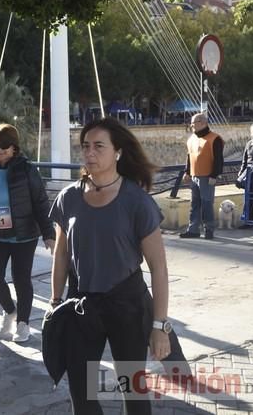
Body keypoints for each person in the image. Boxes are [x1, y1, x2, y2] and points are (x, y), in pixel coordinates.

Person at [48, 117, 171, 415]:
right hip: (82, 305)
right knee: (81, 391)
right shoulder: (69, 198)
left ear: (117, 152)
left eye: (98, 146)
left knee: (134, 392)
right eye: (86, 146)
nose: (90, 152)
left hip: (127, 305)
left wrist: (159, 326)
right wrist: (54, 302)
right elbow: (61, 255)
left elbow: (158, 267)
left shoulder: (136, 201)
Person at [0, 124, 55, 342]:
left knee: (21, 278)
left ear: (14, 147)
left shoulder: (27, 169)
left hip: (24, 234)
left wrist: (48, 233)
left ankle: (23, 323)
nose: (0, 149)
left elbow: (41, 202)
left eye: (5, 145)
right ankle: (9, 309)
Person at [179, 113, 224, 240]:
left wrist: (214, 175)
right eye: (191, 123)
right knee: (195, 204)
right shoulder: (191, 139)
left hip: (207, 176)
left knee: (207, 203)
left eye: (194, 122)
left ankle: (209, 229)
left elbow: (218, 159)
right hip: (194, 175)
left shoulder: (214, 139)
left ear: (203, 123)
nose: (192, 125)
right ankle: (193, 229)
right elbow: (189, 156)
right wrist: (187, 172)